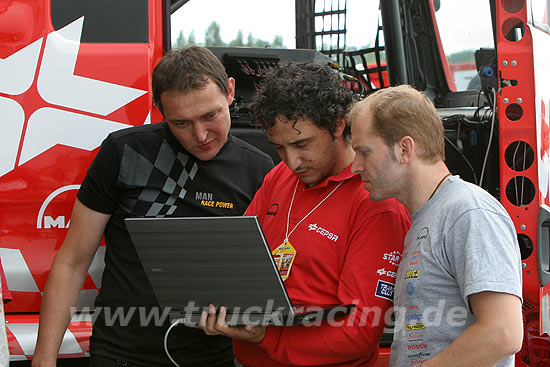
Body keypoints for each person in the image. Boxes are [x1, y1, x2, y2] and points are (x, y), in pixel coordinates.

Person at [32, 45, 274, 367]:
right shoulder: (124, 151)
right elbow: (72, 261)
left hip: (212, 357)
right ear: (158, 109)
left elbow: (266, 275)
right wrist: (44, 359)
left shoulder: (260, 170)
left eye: (209, 115)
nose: (200, 135)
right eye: (181, 123)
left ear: (230, 91)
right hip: (120, 355)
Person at [199, 62, 411, 366]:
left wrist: (266, 338)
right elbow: (235, 264)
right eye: (279, 148)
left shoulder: (376, 201)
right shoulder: (279, 177)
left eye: (302, 144)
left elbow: (361, 330)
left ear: (338, 125)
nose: (293, 161)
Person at [349, 84, 523, 367]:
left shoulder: (468, 212)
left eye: (364, 152)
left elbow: (502, 333)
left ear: (404, 149)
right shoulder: (430, 216)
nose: (355, 165)